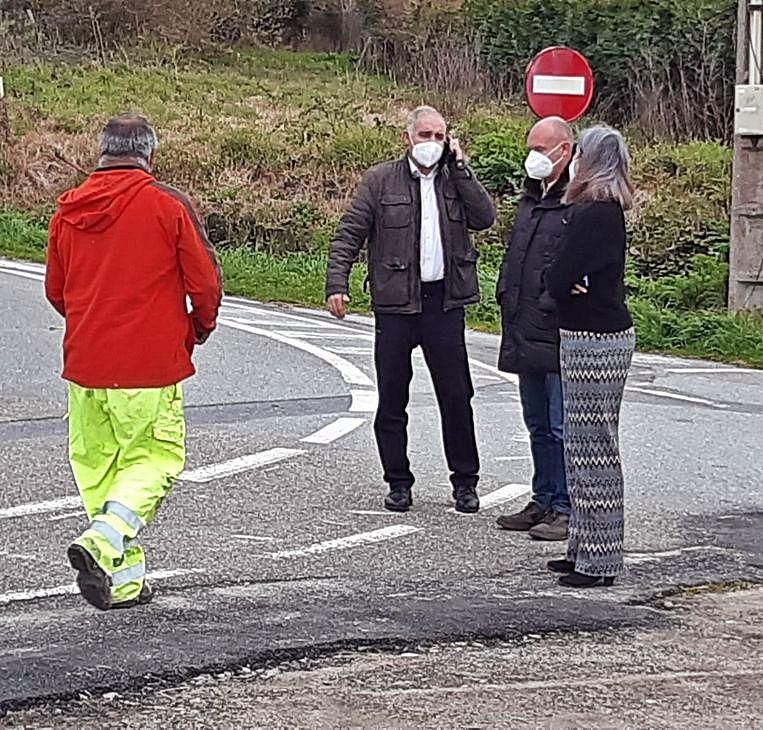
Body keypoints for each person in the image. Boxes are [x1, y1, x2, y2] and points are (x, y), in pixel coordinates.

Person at [45, 113, 223, 610]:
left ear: (100, 152)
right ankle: (101, 543)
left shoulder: (68, 209)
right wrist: (196, 329)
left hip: (85, 365)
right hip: (148, 366)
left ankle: (123, 583)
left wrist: (90, 320)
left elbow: (57, 291)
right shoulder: (168, 206)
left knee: (102, 472)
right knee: (155, 460)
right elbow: (205, 284)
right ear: (150, 153)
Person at [325, 105, 496, 514]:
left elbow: (485, 218)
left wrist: (463, 169)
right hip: (395, 305)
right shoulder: (381, 181)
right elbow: (349, 233)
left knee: (456, 396)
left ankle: (465, 482)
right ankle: (398, 481)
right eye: (425, 136)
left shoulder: (455, 180)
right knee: (392, 398)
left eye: (439, 137)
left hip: (444, 304)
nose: (432, 144)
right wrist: (337, 283)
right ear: (408, 138)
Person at [544, 125, 636, 588]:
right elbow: (565, 276)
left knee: (594, 448)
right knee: (581, 446)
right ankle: (583, 547)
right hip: (591, 333)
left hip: (594, 339)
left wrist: (564, 281)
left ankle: (599, 559)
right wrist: (566, 280)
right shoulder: (605, 210)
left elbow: (559, 276)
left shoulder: (593, 212)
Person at [495, 117, 574, 541]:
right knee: (537, 423)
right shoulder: (531, 199)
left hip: (558, 329)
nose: (534, 157)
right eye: (531, 148)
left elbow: (569, 266)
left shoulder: (576, 199)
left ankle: (565, 506)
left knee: (561, 424)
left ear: (564, 149)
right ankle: (542, 497)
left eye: (542, 149)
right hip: (524, 326)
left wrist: (549, 303)